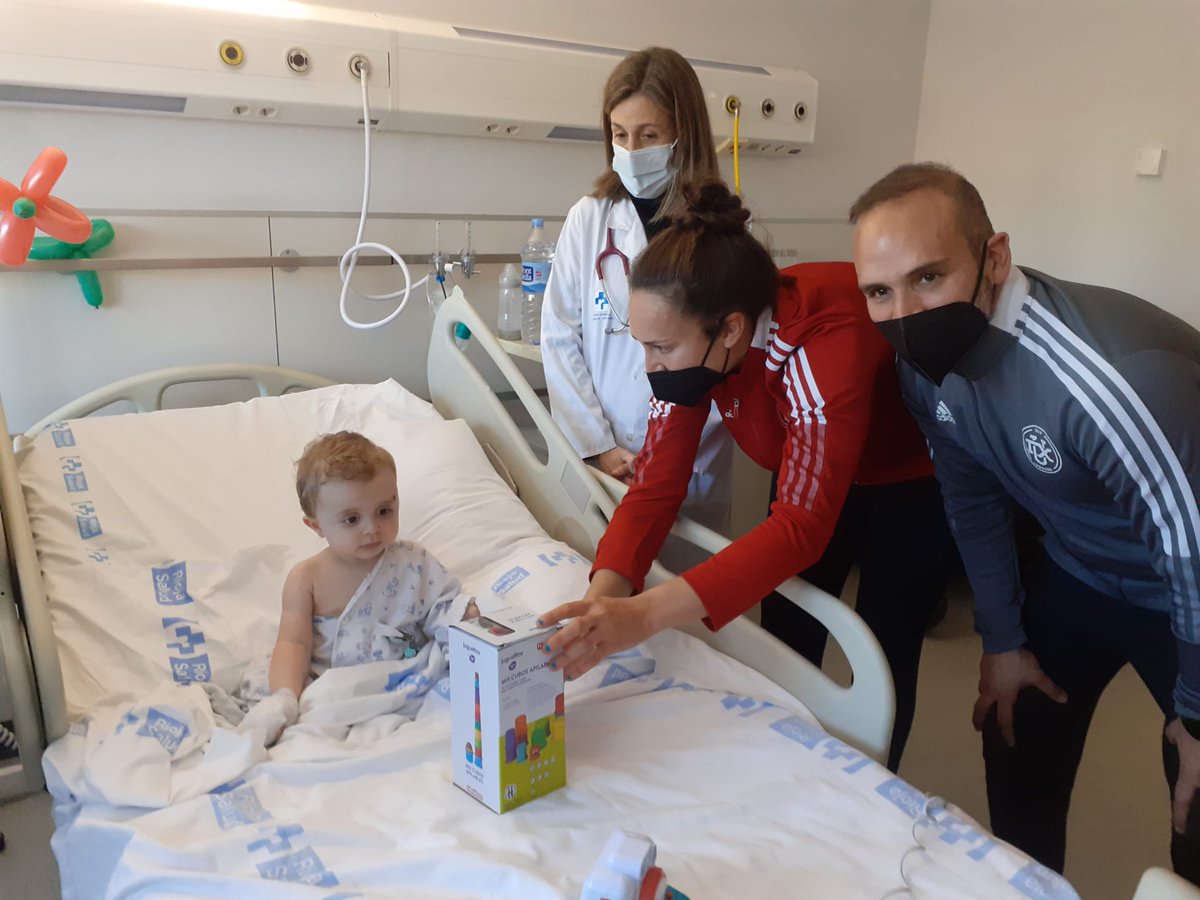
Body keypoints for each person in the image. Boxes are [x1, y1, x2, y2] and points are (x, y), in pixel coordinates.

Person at [849, 161, 1200, 880]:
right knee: (1014, 729)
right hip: (1083, 566)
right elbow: (970, 496)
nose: (904, 314)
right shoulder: (922, 365)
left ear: (995, 258)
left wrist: (1197, 713)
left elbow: (1189, 549)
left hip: (1184, 580)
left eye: (928, 277)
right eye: (879, 292)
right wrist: (1002, 638)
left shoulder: (1107, 376)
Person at [539, 182, 956, 770]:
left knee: (886, 651)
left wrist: (647, 613)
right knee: (785, 635)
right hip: (819, 465)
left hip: (906, 480)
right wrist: (602, 602)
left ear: (730, 329)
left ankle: (876, 788)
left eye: (661, 348)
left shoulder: (814, 340)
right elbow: (656, 486)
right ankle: (785, 765)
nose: (649, 367)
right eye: (643, 346)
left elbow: (801, 526)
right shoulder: (697, 349)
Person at [541, 46, 733, 536]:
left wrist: (674, 450)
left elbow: (732, 354)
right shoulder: (591, 218)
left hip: (692, 456)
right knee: (604, 583)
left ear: (682, 134)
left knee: (681, 604)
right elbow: (560, 335)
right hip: (604, 457)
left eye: (648, 135)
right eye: (620, 135)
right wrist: (598, 445)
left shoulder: (722, 228)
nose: (630, 150)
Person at [243, 431, 478, 743]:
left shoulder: (413, 562)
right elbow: (293, 645)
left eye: (384, 511)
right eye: (352, 519)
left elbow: (444, 607)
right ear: (316, 526)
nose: (372, 529)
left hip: (398, 675)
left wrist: (466, 621)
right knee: (297, 718)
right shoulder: (306, 579)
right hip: (329, 681)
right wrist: (285, 697)